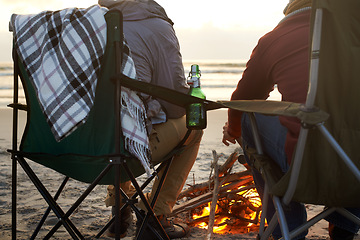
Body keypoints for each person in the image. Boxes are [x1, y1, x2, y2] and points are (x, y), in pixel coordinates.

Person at [222, 0, 360, 239]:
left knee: (248, 117)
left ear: (291, 9)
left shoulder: (278, 37)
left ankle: (288, 226)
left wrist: (233, 128)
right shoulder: (353, 30)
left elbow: (243, 99)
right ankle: (344, 225)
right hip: (355, 170)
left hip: (307, 167)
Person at [98, 0, 203, 238]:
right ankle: (156, 214)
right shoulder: (156, 26)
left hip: (83, 149)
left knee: (117, 120)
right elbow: (176, 108)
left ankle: (119, 204)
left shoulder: (91, 26)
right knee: (193, 128)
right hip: (128, 152)